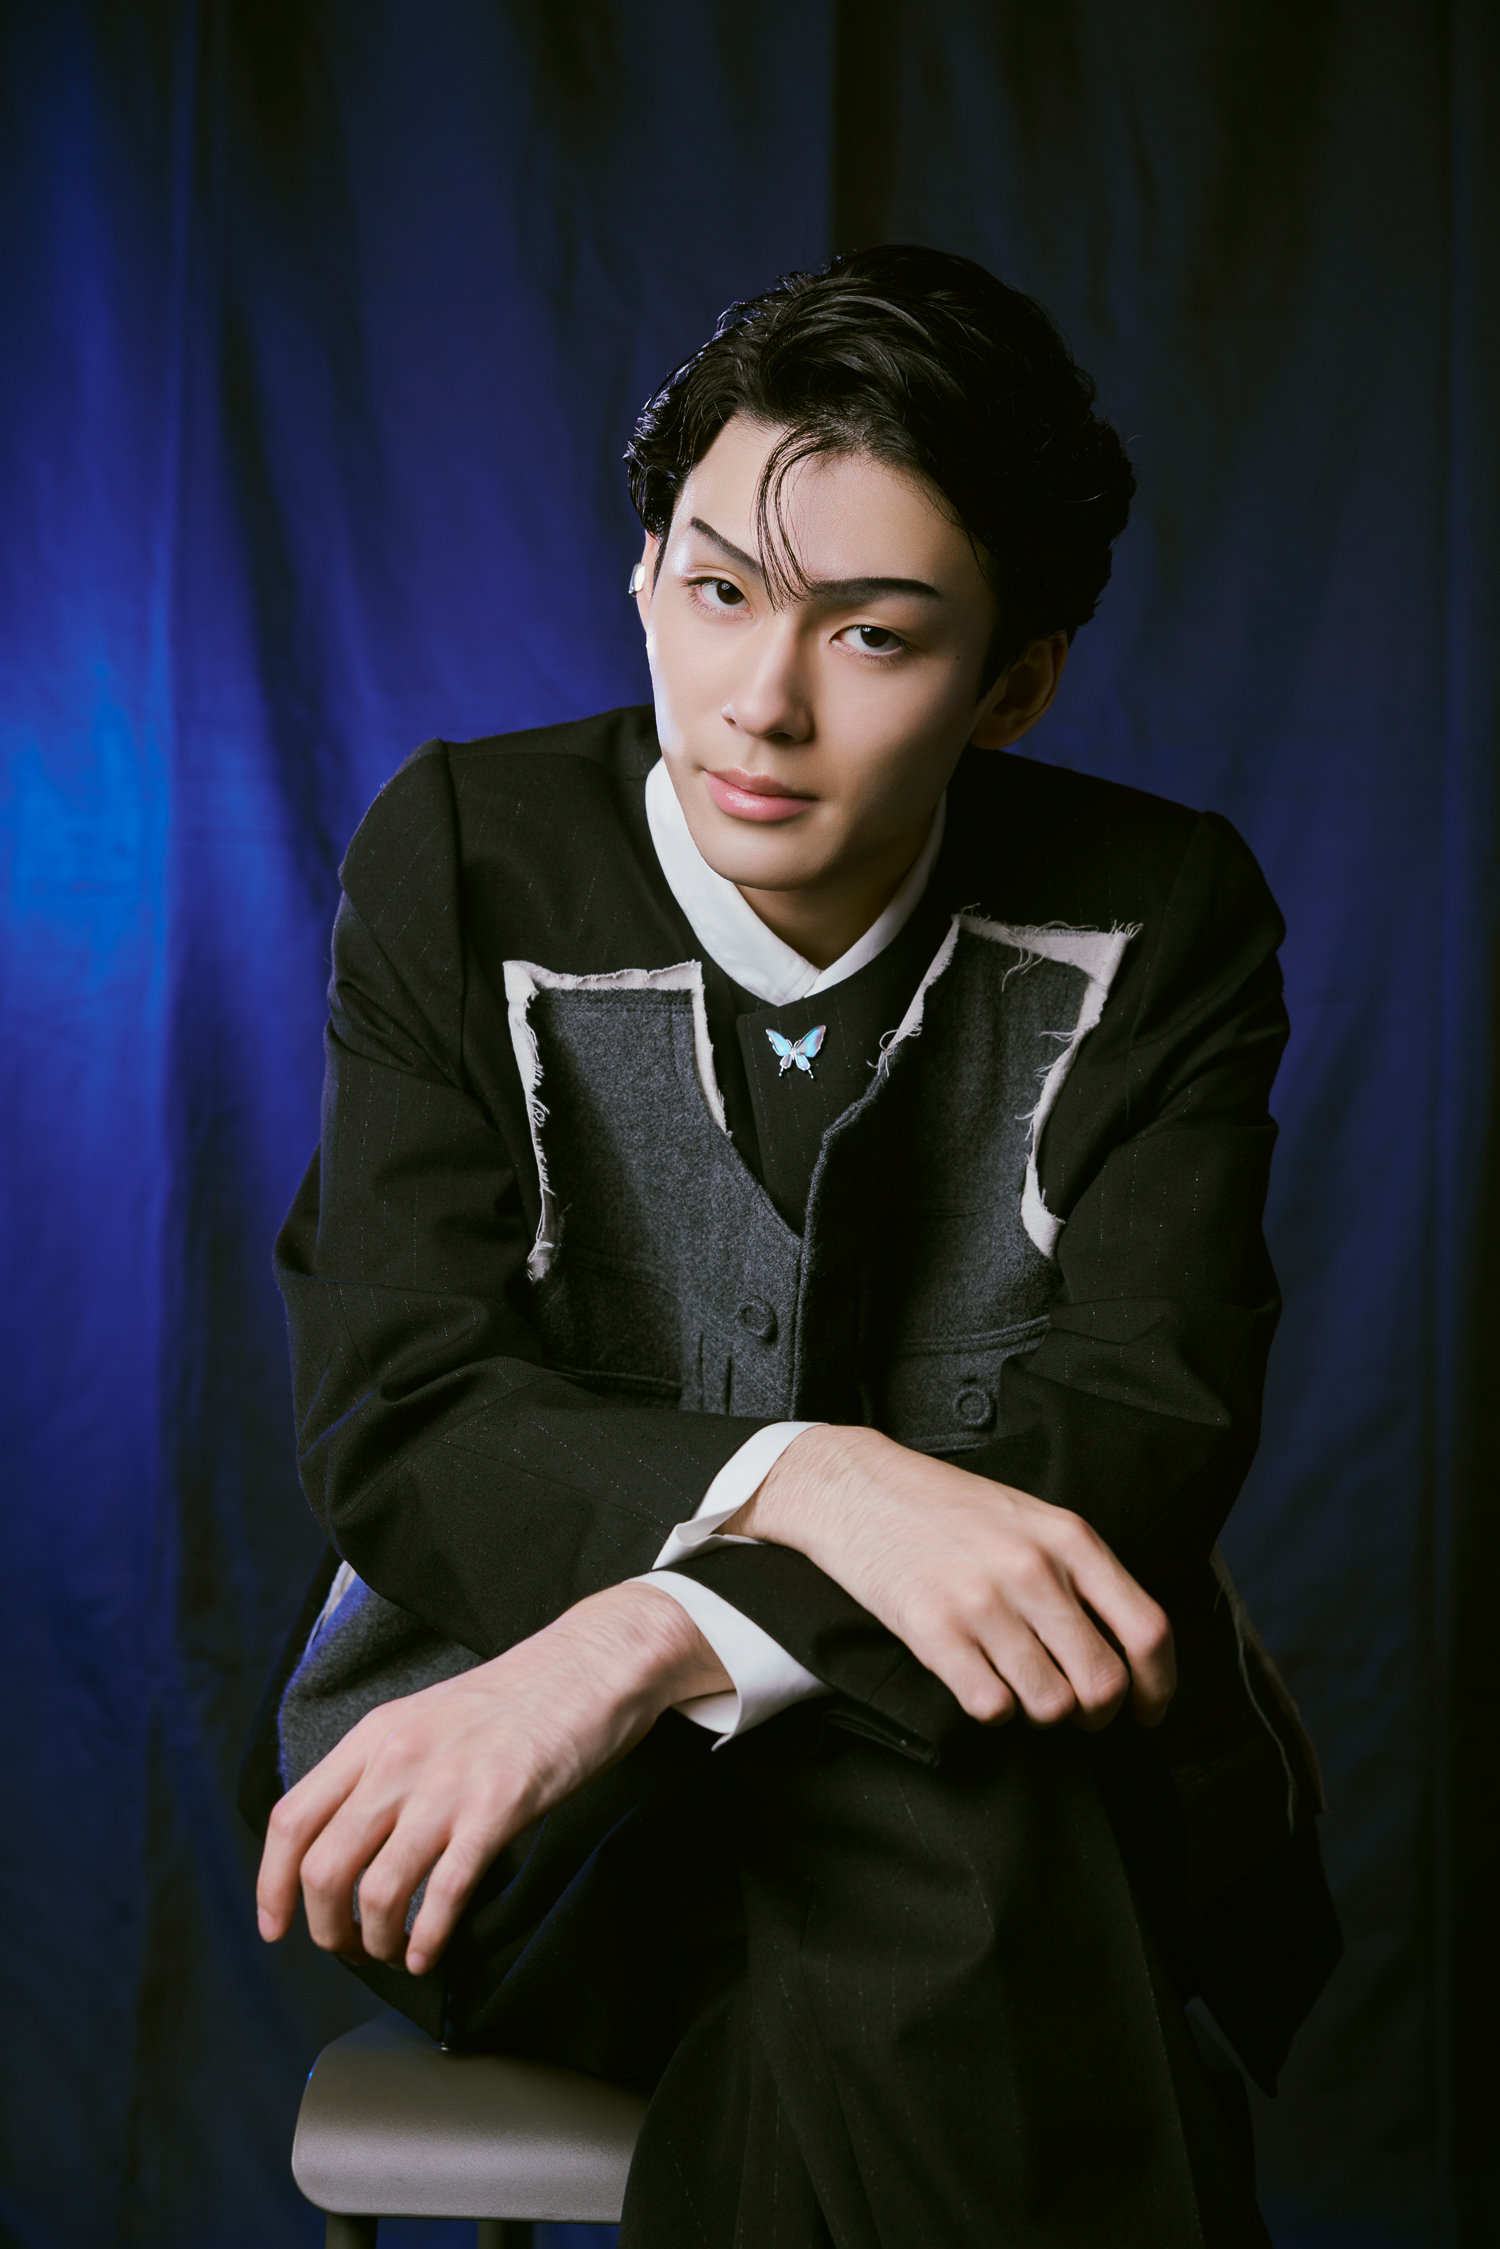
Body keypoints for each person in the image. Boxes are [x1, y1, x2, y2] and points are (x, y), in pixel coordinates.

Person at [242, 246, 1341, 2247]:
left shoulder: (1163, 913)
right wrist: (812, 1480)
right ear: (643, 578)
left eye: (875, 633)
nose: (762, 699)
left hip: (962, 1756)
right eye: (720, 590)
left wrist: (656, 1628)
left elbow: (1138, 1434)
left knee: (950, 1802)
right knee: (977, 1849)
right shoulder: (463, 856)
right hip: (529, 1800)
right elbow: (402, 1408)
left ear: (1014, 682)